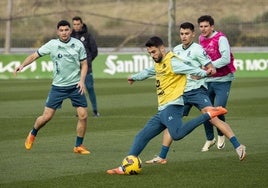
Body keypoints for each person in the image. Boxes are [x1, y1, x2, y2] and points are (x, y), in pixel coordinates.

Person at [106, 36, 228, 175]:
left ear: (162, 48)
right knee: (141, 136)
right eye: (150, 53)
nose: (152, 55)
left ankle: (209, 115)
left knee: (177, 134)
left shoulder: (173, 62)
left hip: (173, 106)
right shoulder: (159, 63)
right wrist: (134, 77)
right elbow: (148, 72)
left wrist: (205, 73)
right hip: (163, 110)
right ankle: (124, 167)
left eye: (154, 52)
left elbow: (190, 69)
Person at [145, 22, 246, 165]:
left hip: (197, 91)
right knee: (170, 122)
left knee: (213, 118)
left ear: (193, 34)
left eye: (187, 33)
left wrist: (202, 74)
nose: (184, 36)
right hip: (181, 93)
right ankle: (162, 156)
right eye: (181, 34)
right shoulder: (176, 50)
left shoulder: (199, 49)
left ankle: (238, 146)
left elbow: (212, 69)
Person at [14, 20, 90, 154]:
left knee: (83, 116)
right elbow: (34, 56)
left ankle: (78, 145)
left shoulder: (78, 44)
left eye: (66, 30)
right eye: (61, 30)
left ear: (70, 31)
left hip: (75, 85)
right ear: (57, 32)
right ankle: (33, 132)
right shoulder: (52, 45)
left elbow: (84, 64)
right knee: (47, 117)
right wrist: (22, 65)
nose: (64, 32)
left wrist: (82, 81)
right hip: (58, 87)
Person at [197, 15, 237, 151]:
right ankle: (210, 138)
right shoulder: (201, 39)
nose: (203, 29)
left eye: (206, 26)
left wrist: (209, 66)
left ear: (212, 27)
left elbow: (225, 59)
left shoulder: (221, 38)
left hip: (223, 79)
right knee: (206, 110)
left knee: (218, 109)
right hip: (207, 80)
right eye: (201, 26)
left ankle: (221, 135)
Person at [71, 16, 100, 117]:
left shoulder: (87, 36)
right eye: (74, 24)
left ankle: (95, 111)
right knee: (77, 90)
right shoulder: (70, 36)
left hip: (87, 68)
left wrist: (87, 62)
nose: (76, 26)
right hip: (74, 69)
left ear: (82, 24)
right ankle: (80, 111)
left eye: (78, 24)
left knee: (90, 88)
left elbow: (94, 51)